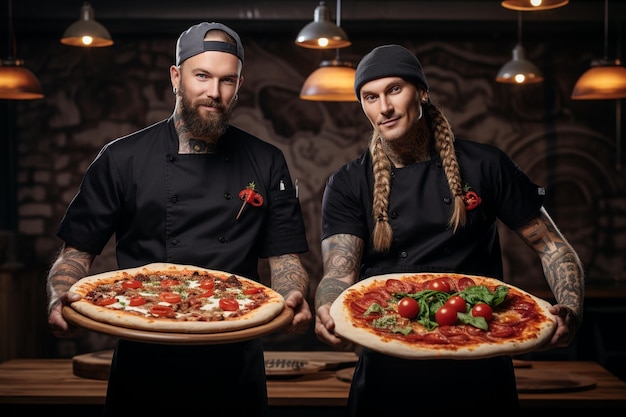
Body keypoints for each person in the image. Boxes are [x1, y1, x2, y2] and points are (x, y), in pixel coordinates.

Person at [46, 22, 312, 416]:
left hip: (234, 362)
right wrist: (57, 296)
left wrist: (293, 296)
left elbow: (287, 260)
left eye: (227, 80)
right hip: (144, 360)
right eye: (201, 76)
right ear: (176, 76)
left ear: (239, 86)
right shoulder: (121, 159)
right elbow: (76, 254)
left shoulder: (267, 160)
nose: (214, 92)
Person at [314, 44, 584, 414]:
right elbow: (338, 273)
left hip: (481, 366)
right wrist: (327, 306)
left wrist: (570, 305)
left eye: (395, 90)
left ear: (422, 92)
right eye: (370, 97)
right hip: (388, 372)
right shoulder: (347, 183)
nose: (384, 108)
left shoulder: (486, 165)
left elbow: (552, 246)